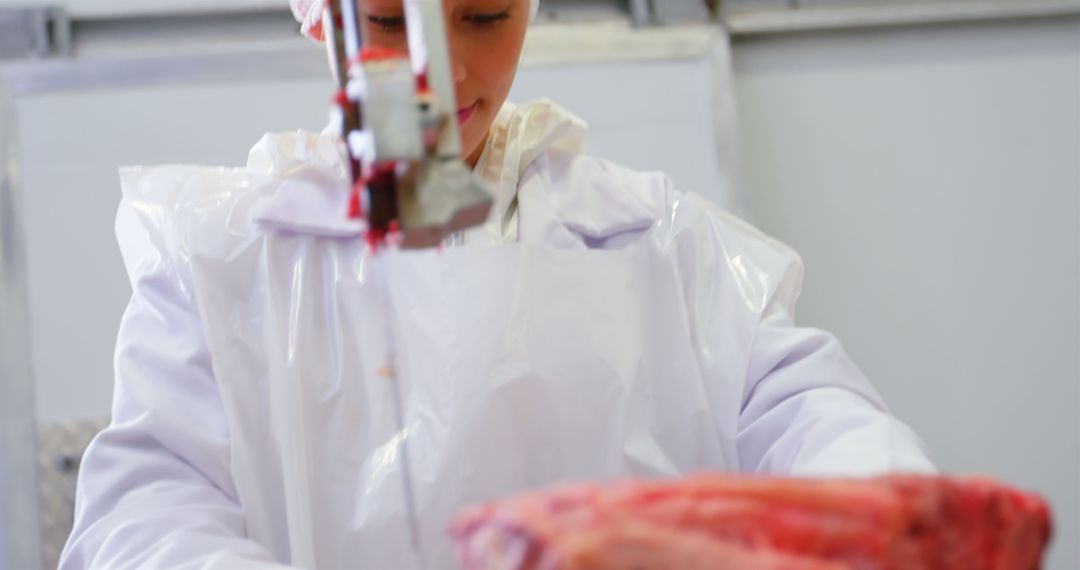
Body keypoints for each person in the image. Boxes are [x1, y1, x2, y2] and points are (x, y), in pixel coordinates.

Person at [61, 0, 935, 568]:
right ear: (319, 21)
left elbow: (809, 413)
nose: (444, 78)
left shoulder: (655, 246)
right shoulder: (222, 263)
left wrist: (883, 504)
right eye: (390, 23)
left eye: (482, 16)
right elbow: (144, 523)